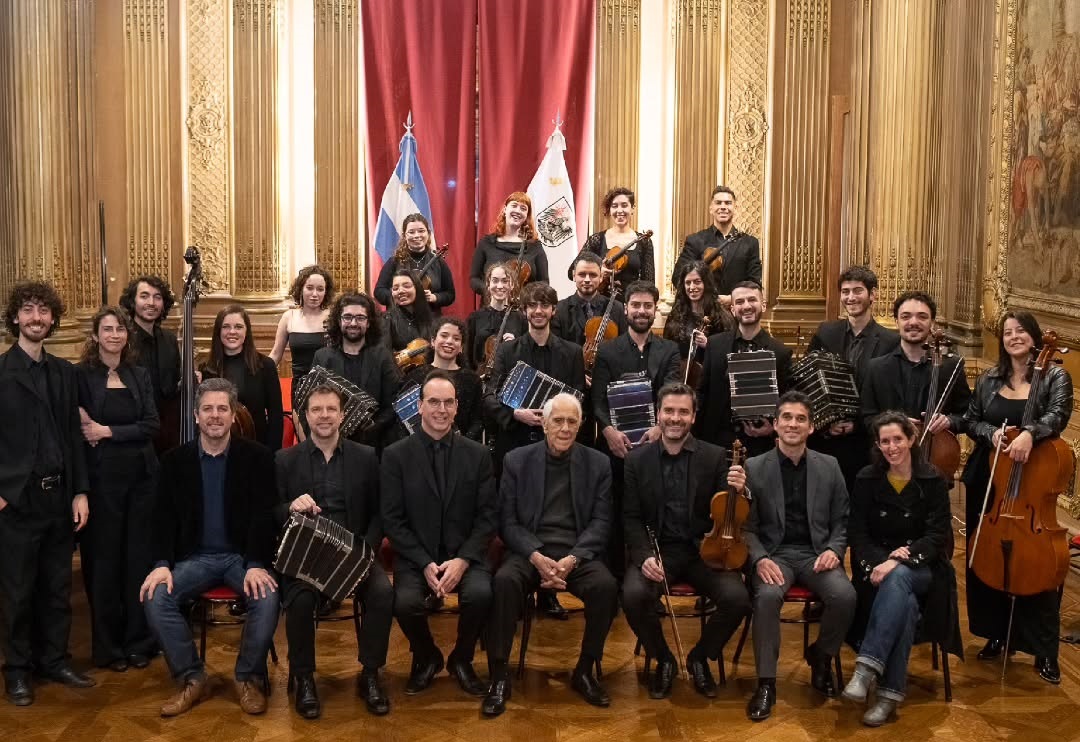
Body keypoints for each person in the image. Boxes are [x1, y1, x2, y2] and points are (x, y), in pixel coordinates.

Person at [140, 378, 279, 718]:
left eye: (222, 408)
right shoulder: (174, 462)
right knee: (156, 596)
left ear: (233, 415)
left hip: (241, 558)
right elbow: (162, 518)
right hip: (195, 558)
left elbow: (265, 516)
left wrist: (256, 563)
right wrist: (161, 563)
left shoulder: (258, 458)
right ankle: (192, 676)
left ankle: (247, 678)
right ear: (196, 415)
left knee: (267, 597)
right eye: (207, 409)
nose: (215, 415)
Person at [483, 393, 618, 716]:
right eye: (558, 420)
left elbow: (602, 522)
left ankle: (585, 670)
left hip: (576, 553)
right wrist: (535, 555)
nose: (565, 428)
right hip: (530, 551)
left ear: (580, 425)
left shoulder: (598, 463)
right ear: (544, 425)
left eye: (572, 421)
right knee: (504, 582)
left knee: (606, 587)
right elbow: (507, 521)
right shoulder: (516, 460)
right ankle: (499, 675)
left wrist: (573, 559)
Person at [961, 310, 1073, 684]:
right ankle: (996, 633)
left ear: (1034, 336)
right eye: (1007, 332)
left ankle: (1043, 649)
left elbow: (1058, 415)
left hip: (1033, 481)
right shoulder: (990, 378)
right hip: (990, 479)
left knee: (1039, 566)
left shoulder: (1054, 375)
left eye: (1021, 330)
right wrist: (990, 433)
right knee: (987, 558)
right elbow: (971, 420)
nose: (1014, 337)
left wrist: (1030, 432)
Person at [622, 383, 751, 700]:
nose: (675, 418)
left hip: (702, 551)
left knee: (737, 598)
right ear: (658, 414)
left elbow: (730, 509)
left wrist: (740, 490)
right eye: (669, 410)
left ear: (693, 417)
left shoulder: (714, 456)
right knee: (633, 595)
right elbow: (631, 517)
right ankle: (663, 658)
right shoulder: (637, 460)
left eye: (683, 412)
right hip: (658, 550)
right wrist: (644, 556)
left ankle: (700, 657)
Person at [274, 384, 394, 719]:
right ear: (305, 416)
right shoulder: (285, 460)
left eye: (331, 409)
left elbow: (379, 513)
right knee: (299, 600)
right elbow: (272, 512)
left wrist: (366, 552)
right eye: (316, 410)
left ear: (342, 415)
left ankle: (370, 673)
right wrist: (289, 507)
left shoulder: (366, 457)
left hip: (353, 553)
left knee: (383, 593)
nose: (324, 416)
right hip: (307, 555)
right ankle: (304, 678)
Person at [0, 281, 93, 706]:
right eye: (28, 310)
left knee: (56, 589)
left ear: (53, 318)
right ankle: (18, 671)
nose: (36, 317)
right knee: (17, 592)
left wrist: (80, 491)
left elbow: (73, 437)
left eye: (43, 310)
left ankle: (54, 660)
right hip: (16, 500)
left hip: (58, 497)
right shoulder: (2, 372)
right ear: (15, 317)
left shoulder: (64, 373)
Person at [381, 371, 498, 697]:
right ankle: (427, 655)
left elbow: (488, 517)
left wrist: (463, 560)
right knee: (404, 602)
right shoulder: (394, 456)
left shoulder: (478, 455)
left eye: (448, 403)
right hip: (416, 557)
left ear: (457, 407)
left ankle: (462, 658)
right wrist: (423, 563)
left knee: (481, 595)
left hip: (466, 556)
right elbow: (392, 520)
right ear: (419, 406)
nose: (441, 410)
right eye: (433, 402)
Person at [741, 391, 855, 722]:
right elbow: (746, 527)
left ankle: (821, 656)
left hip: (815, 553)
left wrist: (834, 549)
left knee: (845, 596)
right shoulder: (754, 467)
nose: (793, 424)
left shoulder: (830, 465)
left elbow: (842, 520)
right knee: (766, 597)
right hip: (774, 555)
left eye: (801, 419)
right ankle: (766, 683)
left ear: (811, 427)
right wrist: (759, 559)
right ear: (776, 425)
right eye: (787, 418)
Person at [844, 412, 958, 726]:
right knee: (903, 603)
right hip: (875, 568)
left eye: (898, 439)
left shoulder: (933, 479)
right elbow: (857, 533)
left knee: (900, 577)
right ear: (878, 445)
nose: (892, 447)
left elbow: (937, 535)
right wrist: (879, 563)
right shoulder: (867, 478)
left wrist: (897, 561)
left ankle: (866, 668)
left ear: (911, 439)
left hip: (923, 567)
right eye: (885, 441)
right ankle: (888, 696)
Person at [76, 306, 159, 673]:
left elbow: (151, 425)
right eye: (107, 329)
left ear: (127, 336)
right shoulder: (81, 375)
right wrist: (82, 421)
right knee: (104, 563)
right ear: (95, 336)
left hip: (142, 480)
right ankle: (108, 648)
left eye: (120, 329)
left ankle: (138, 642)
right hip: (101, 482)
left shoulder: (138, 374)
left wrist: (105, 431)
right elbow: (72, 421)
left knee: (138, 560)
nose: (114, 335)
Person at [592, 281, 680, 577]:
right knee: (616, 512)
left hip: (655, 446)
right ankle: (616, 579)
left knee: (654, 512)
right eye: (636, 305)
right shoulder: (607, 351)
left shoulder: (669, 350)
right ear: (626, 309)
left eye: (647, 306)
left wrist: (658, 427)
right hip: (617, 448)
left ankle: (654, 572)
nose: (642, 311)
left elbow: (671, 394)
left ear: (655, 310)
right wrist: (608, 432)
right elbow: (597, 400)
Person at [806, 266, 900, 491]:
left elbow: (888, 396)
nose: (851, 297)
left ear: (872, 294)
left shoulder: (890, 341)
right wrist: (825, 424)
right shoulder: (825, 332)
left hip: (865, 443)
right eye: (845, 291)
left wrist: (856, 424)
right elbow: (809, 382)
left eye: (858, 291)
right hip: (826, 439)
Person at [483, 282, 586, 465]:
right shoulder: (506, 351)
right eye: (532, 305)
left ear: (554, 310)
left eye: (544, 305)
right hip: (515, 443)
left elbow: (578, 400)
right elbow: (490, 396)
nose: (538, 311)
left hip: (559, 446)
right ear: (524, 310)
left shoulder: (573, 353)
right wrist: (515, 414)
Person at [860, 291, 971, 445]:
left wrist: (950, 421)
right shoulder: (876, 368)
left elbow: (967, 416)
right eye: (906, 316)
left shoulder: (951, 367)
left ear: (932, 323)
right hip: (888, 455)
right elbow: (866, 418)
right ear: (897, 322)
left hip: (936, 452)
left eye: (922, 317)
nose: (913, 322)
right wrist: (892, 424)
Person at [695, 281, 792, 457]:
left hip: (760, 445)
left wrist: (773, 427)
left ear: (763, 305)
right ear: (733, 309)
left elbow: (786, 402)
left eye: (752, 300)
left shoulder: (780, 352)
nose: (746, 306)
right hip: (716, 443)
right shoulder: (715, 345)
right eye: (739, 302)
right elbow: (702, 393)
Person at [310, 293, 401, 450]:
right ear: (339, 321)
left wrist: (371, 429)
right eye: (347, 317)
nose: (353, 323)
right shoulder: (322, 357)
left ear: (369, 322)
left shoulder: (382, 356)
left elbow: (393, 402)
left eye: (360, 318)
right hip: (331, 444)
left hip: (373, 444)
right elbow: (313, 402)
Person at [201, 305, 284, 452]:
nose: (232, 331)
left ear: (246, 331)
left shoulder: (265, 366)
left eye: (238, 327)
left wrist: (271, 454)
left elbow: (275, 416)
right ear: (218, 331)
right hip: (217, 449)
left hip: (257, 448)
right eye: (226, 327)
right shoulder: (206, 368)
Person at [120, 274, 180, 453]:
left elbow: (174, 383)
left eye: (157, 297)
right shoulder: (122, 339)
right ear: (133, 301)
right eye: (144, 296)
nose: (151, 303)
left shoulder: (169, 339)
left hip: (167, 430)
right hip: (134, 430)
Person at [672, 185, 762, 303]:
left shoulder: (750, 243)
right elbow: (678, 277)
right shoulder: (695, 241)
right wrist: (705, 297)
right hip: (703, 308)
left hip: (736, 309)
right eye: (718, 203)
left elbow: (754, 283)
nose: (723, 207)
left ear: (735, 208)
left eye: (728, 203)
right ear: (711, 209)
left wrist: (732, 298)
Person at [401, 318, 484, 441]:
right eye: (444, 336)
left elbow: (478, 421)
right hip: (419, 446)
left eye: (456, 338)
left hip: (459, 447)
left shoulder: (472, 380)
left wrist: (461, 444)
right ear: (433, 341)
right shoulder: (414, 376)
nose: (449, 341)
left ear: (461, 347)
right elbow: (403, 418)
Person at [567, 186, 655, 294]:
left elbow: (649, 283)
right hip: (600, 300)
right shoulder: (597, 240)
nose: (619, 210)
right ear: (609, 210)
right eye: (614, 206)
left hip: (631, 301)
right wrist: (597, 272)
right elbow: (572, 272)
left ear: (632, 208)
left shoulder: (644, 242)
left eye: (624, 205)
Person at [269, 265, 333, 411]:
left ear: (326, 292)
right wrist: (256, 373)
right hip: (299, 386)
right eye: (309, 288)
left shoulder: (332, 317)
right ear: (301, 289)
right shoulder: (289, 317)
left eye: (320, 289)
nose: (315, 294)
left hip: (328, 388)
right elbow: (275, 354)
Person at [374, 213, 455, 315]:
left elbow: (450, 294)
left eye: (421, 231)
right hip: (399, 319)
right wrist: (396, 295)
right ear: (404, 236)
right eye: (411, 232)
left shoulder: (438, 262)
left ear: (428, 233)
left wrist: (434, 297)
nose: (416, 235)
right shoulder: (394, 262)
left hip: (430, 319)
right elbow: (379, 291)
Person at [470, 191, 549, 296]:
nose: (518, 211)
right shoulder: (486, 243)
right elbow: (474, 278)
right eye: (514, 205)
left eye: (523, 208)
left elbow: (544, 282)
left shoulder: (535, 246)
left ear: (526, 216)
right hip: (492, 304)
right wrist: (492, 292)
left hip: (524, 305)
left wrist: (526, 297)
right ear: (505, 209)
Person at [552, 251, 627, 347]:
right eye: (582, 274)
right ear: (574, 276)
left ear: (601, 277)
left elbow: (623, 346)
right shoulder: (559, 309)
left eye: (593, 275)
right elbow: (556, 348)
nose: (587, 280)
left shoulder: (616, 308)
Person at [662, 261, 733, 360]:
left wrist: (709, 345)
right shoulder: (675, 316)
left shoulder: (721, 317)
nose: (692, 287)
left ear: (706, 284)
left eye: (697, 282)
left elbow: (728, 353)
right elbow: (666, 351)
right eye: (688, 283)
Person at [466, 262, 527, 372]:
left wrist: (515, 347)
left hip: (509, 376)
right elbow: (467, 356)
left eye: (505, 281)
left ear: (512, 285)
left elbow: (527, 356)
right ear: (488, 284)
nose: (499, 286)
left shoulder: (521, 319)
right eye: (495, 281)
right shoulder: (475, 318)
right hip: (479, 377)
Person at [383, 270, 435, 355]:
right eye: (395, 288)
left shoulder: (430, 318)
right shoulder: (386, 319)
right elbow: (384, 355)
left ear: (417, 288)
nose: (400, 291)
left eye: (406, 286)